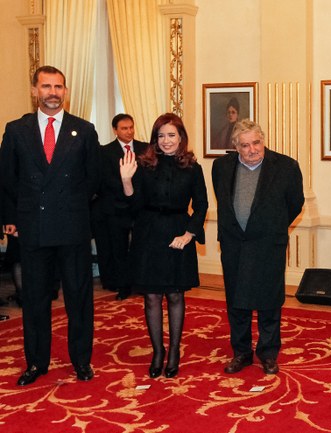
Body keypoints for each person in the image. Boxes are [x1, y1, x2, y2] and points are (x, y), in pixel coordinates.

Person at [0, 65, 100, 386]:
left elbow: (93, 180)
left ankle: (81, 361)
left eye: (58, 87)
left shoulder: (84, 130)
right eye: (46, 86)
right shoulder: (16, 130)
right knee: (35, 300)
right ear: (34, 91)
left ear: (65, 92)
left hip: (72, 229)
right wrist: (13, 218)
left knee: (79, 299)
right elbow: (6, 180)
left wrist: (71, 205)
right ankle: (36, 362)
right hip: (34, 229)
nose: (53, 92)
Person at [119, 113, 208, 379]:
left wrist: (189, 234)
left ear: (181, 137)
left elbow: (202, 205)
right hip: (148, 235)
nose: (166, 141)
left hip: (179, 235)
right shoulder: (144, 166)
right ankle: (158, 351)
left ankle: (175, 351)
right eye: (161, 136)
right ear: (154, 139)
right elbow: (133, 208)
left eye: (171, 135)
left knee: (176, 295)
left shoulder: (193, 167)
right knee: (152, 297)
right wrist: (126, 180)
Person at [212, 120, 304, 376]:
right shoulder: (221, 167)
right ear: (236, 147)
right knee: (236, 302)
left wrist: (271, 226)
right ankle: (241, 352)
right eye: (245, 145)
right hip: (234, 245)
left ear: (263, 140)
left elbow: (295, 203)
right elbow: (223, 199)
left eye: (256, 142)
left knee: (269, 302)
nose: (252, 149)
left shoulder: (285, 166)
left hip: (268, 245)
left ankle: (268, 353)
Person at [92, 114, 148, 300]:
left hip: (140, 207)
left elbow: (148, 177)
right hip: (115, 209)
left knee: (140, 247)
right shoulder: (104, 151)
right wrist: (125, 188)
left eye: (131, 127)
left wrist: (136, 193)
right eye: (124, 128)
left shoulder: (145, 148)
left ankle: (140, 282)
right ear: (115, 130)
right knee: (119, 250)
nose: (129, 131)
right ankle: (123, 286)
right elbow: (104, 180)